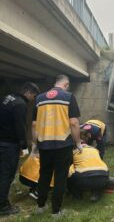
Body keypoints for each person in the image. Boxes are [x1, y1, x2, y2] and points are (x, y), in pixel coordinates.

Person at [32, 75, 82, 216]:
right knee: (60, 176)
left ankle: (40, 207)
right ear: (66, 84)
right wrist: (78, 142)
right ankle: (56, 211)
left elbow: (34, 124)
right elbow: (74, 123)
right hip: (63, 144)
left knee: (44, 175)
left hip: (44, 144)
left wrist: (34, 145)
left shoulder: (39, 98)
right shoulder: (68, 97)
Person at [0, 82, 40, 216]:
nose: (33, 99)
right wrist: (24, 147)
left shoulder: (8, 98)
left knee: (2, 173)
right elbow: (20, 127)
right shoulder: (20, 104)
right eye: (33, 96)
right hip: (9, 145)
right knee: (6, 175)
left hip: (2, 140)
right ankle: (3, 207)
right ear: (28, 92)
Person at [67, 136, 109, 202]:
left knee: (69, 170)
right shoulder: (95, 150)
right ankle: (96, 193)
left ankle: (77, 195)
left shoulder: (73, 152)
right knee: (99, 167)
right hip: (103, 177)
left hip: (83, 179)